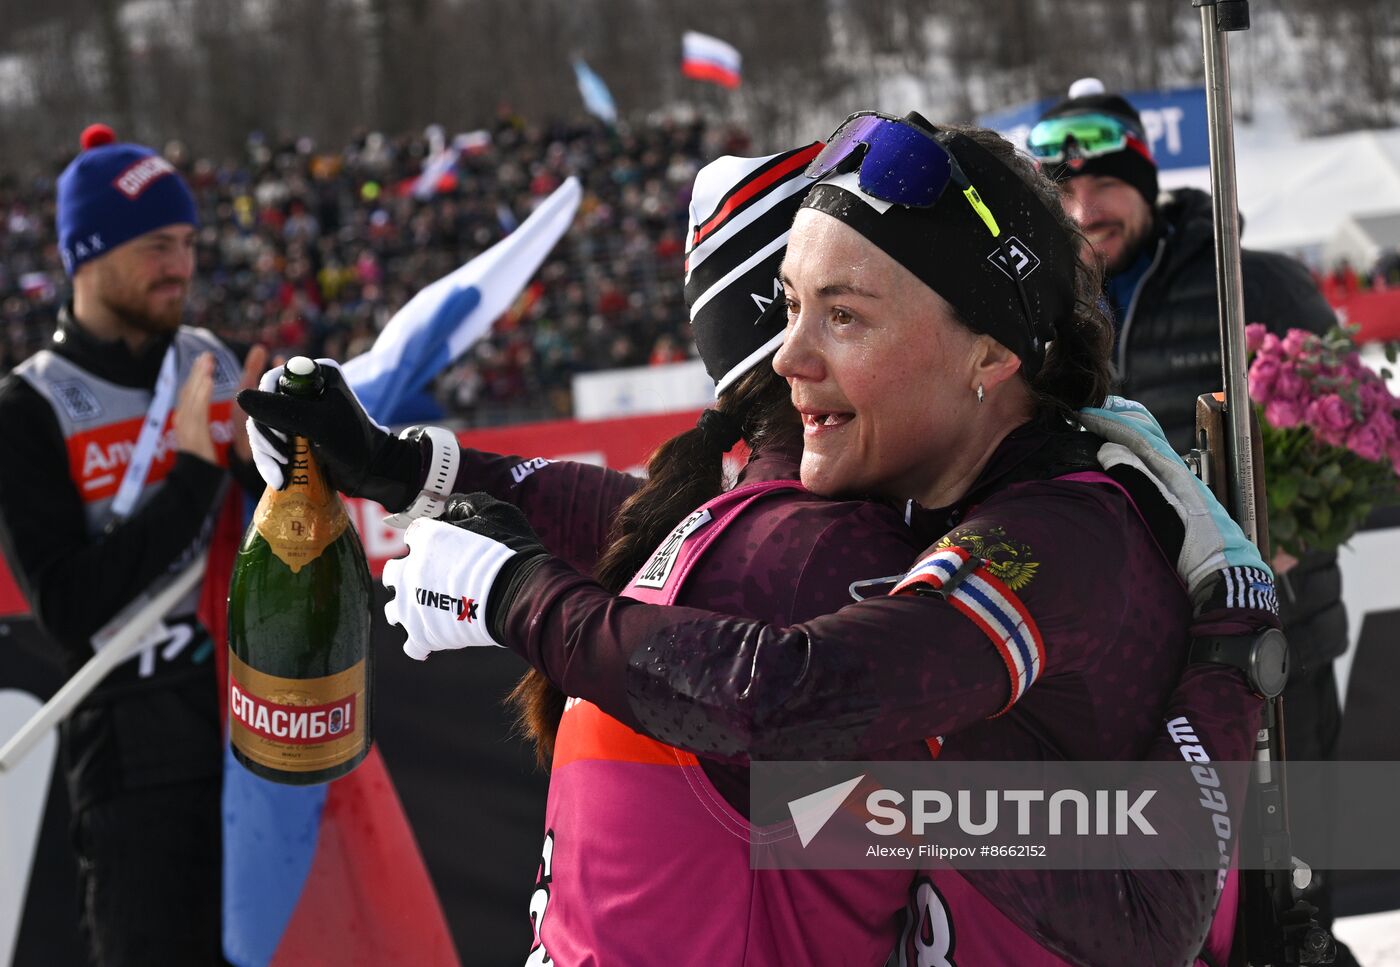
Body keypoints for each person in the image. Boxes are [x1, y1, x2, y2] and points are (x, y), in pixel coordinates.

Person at [244, 117, 1279, 965]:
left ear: (989, 355)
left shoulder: (1048, 534)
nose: (785, 358)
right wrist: (406, 468)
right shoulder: (926, 480)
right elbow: (672, 526)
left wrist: (517, 597)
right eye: (787, 307)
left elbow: (784, 692)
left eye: (843, 316)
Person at [1028, 80, 1355, 963]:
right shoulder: (1048, 316)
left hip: (1281, 642)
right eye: (1063, 195)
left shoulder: (1251, 281)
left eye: (1105, 186)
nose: (1086, 209)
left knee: (1297, 890)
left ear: (1146, 181)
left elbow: (1361, 439)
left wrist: (1286, 527)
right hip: (1149, 665)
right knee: (1192, 905)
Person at [0, 124, 265, 965]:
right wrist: (192, 474)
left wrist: (280, 471)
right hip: (130, 764)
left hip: (247, 731)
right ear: (88, 252)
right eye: (156, 245)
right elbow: (71, 607)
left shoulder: (212, 363)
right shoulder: (29, 407)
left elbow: (270, 542)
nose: (180, 265)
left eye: (187, 243)